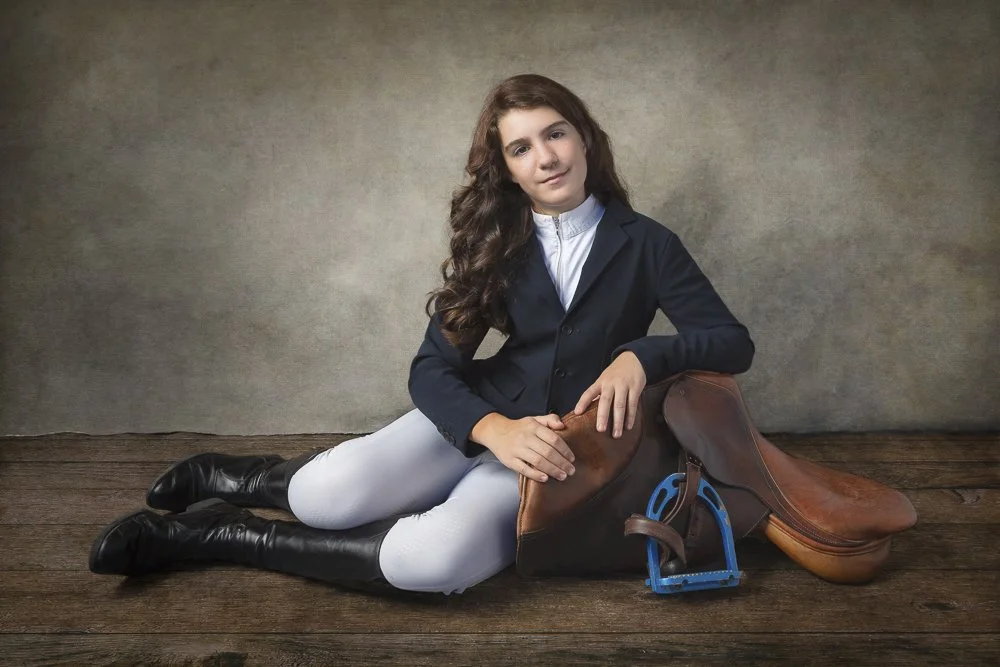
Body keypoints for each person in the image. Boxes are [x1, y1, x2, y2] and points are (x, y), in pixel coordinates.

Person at [88, 74, 755, 596]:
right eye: (521, 147)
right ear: (508, 168)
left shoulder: (649, 244)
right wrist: (491, 426)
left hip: (567, 455)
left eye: (555, 133)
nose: (545, 157)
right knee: (328, 498)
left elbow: (731, 341)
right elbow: (430, 369)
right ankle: (238, 477)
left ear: (585, 138)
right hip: (478, 417)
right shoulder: (499, 240)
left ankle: (220, 535)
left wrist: (642, 354)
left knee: (433, 561)